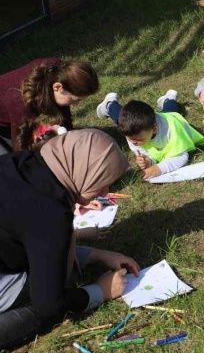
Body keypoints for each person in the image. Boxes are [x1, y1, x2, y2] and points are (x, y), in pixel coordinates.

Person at [0, 129, 140, 350]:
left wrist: (95, 254)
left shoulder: (21, 162)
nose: (105, 192)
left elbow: (31, 236)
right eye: (102, 181)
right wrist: (101, 291)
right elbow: (49, 304)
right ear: (84, 170)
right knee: (48, 303)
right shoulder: (50, 212)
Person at [96, 90, 204, 179]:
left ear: (154, 129)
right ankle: (109, 104)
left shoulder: (171, 131)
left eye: (138, 139)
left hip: (171, 118)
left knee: (171, 112)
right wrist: (148, 160)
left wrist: (159, 168)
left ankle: (169, 99)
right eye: (129, 138)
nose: (133, 142)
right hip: (144, 122)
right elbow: (148, 151)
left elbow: (181, 156)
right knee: (119, 118)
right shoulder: (134, 131)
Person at [0, 58, 99, 153]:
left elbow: (64, 114)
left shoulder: (58, 70)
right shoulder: (21, 104)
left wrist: (69, 137)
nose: (76, 105)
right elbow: (19, 147)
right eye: (74, 100)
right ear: (57, 87)